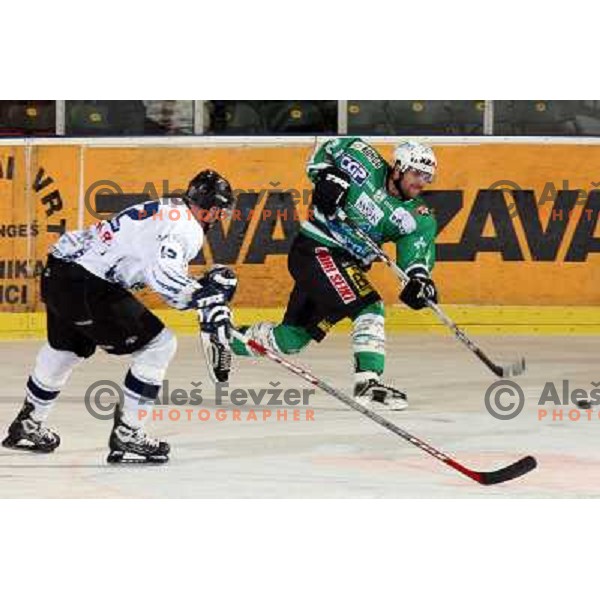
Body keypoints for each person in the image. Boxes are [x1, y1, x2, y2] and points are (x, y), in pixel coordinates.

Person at [2, 170, 237, 462]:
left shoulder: (169, 209)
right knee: (160, 346)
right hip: (89, 285)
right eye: (220, 211)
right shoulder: (187, 228)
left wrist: (197, 292)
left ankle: (28, 423)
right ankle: (128, 433)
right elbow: (162, 274)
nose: (219, 218)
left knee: (65, 350)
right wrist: (204, 298)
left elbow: (162, 269)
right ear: (211, 208)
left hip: (59, 272)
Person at [224, 138, 438, 411]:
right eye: (416, 174)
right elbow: (324, 151)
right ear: (397, 168)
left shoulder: (418, 217)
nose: (421, 183)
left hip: (346, 266)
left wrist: (419, 281)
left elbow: (415, 257)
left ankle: (224, 337)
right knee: (369, 306)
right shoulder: (363, 158)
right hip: (317, 249)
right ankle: (367, 383)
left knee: (291, 339)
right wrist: (327, 176)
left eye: (427, 177)